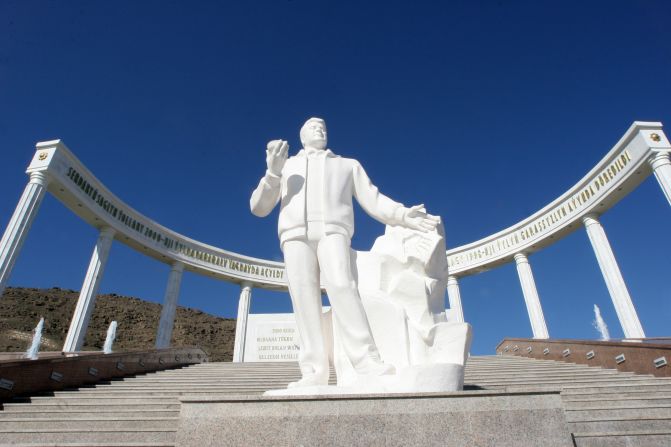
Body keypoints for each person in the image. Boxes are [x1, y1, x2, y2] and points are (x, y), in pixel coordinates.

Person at [250, 117, 439, 388]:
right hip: (294, 236)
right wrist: (272, 173)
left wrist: (402, 215)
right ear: (302, 136)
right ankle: (314, 371)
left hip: (333, 232)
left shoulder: (347, 165)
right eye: (313, 126)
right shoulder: (287, 166)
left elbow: (373, 199)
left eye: (324, 126)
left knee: (343, 286)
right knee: (303, 297)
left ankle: (366, 361)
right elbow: (259, 207)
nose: (320, 128)